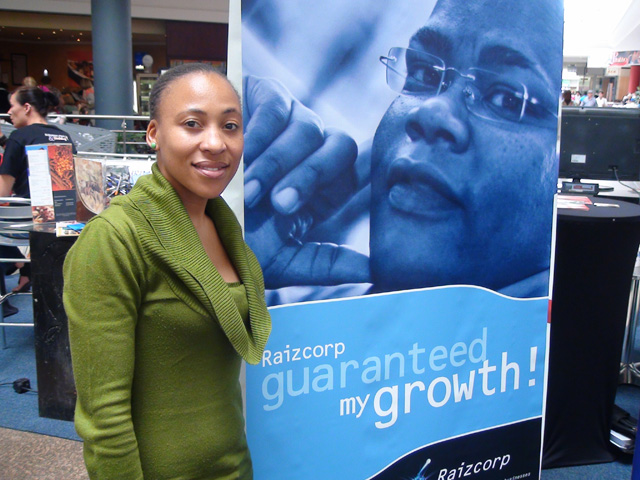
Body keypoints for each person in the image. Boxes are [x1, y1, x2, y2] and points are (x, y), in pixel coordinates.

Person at [242, 0, 562, 301]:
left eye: (507, 99)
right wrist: (227, 259)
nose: (432, 112)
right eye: (424, 72)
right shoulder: (295, 305)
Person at [63, 63, 271, 479]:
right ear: (154, 133)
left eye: (230, 126)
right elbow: (104, 419)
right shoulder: (115, 239)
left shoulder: (224, 228)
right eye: (192, 124)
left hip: (234, 465)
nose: (216, 143)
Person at [0, 86, 75, 294]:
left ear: (26, 108)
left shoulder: (19, 136)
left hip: (27, 222)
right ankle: (25, 269)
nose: (8, 111)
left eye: (12, 106)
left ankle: (18, 270)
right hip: (63, 220)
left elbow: (2, 192)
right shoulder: (64, 137)